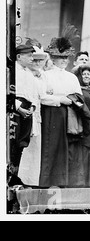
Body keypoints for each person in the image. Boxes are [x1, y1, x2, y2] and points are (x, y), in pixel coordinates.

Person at [40, 35, 84, 188]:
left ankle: (62, 181)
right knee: (49, 146)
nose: (64, 60)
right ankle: (47, 181)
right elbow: (42, 97)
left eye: (66, 57)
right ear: (53, 58)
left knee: (66, 149)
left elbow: (79, 97)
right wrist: (59, 99)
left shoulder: (72, 77)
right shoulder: (45, 75)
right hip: (50, 114)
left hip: (69, 114)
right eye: (60, 58)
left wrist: (71, 100)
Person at [18, 42, 48, 187]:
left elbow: (38, 95)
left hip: (34, 112)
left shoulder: (38, 76)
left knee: (33, 144)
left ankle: (31, 180)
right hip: (22, 110)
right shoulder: (23, 73)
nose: (35, 62)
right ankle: (22, 179)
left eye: (38, 60)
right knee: (24, 146)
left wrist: (34, 106)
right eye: (32, 58)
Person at [9, 44, 37, 183]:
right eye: (29, 56)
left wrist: (33, 107)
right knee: (12, 142)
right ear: (19, 57)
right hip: (15, 108)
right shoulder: (12, 71)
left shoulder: (29, 73)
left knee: (22, 143)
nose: (32, 58)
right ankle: (8, 176)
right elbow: (8, 91)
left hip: (28, 108)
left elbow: (33, 93)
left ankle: (15, 175)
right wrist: (18, 107)